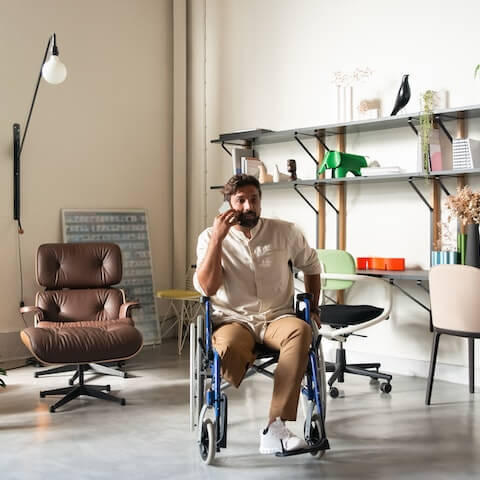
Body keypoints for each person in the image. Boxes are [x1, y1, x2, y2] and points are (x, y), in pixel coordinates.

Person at [193, 174, 321, 455]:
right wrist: (218, 238)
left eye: (254, 199)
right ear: (227, 204)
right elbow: (207, 287)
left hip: (277, 317)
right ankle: (240, 365)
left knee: (302, 331)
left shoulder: (285, 232)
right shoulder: (209, 237)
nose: (248, 206)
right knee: (227, 347)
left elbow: (312, 265)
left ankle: (275, 427)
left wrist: (315, 307)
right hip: (232, 319)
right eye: (241, 200)